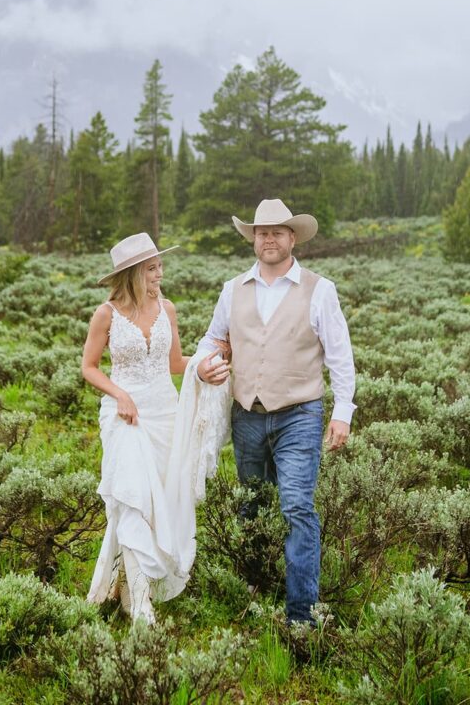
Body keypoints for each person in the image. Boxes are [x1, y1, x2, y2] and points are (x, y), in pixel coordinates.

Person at [196, 198, 356, 626]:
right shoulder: (232, 290)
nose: (268, 238)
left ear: (292, 238)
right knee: (251, 505)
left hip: (299, 415)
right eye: (261, 232)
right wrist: (203, 365)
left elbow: (340, 356)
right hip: (247, 413)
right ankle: (252, 589)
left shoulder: (320, 290)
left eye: (277, 232)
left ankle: (301, 614)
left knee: (297, 507)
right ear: (253, 239)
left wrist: (343, 411)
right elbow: (214, 339)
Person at [82, 232, 230, 624]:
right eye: (152, 268)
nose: (160, 273)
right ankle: (142, 608)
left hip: (165, 413)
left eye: (160, 266)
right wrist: (119, 395)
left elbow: (175, 362)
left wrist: (205, 364)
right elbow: (89, 367)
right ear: (132, 273)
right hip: (125, 415)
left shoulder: (168, 308)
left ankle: (131, 591)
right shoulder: (107, 314)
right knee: (133, 498)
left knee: (159, 501)